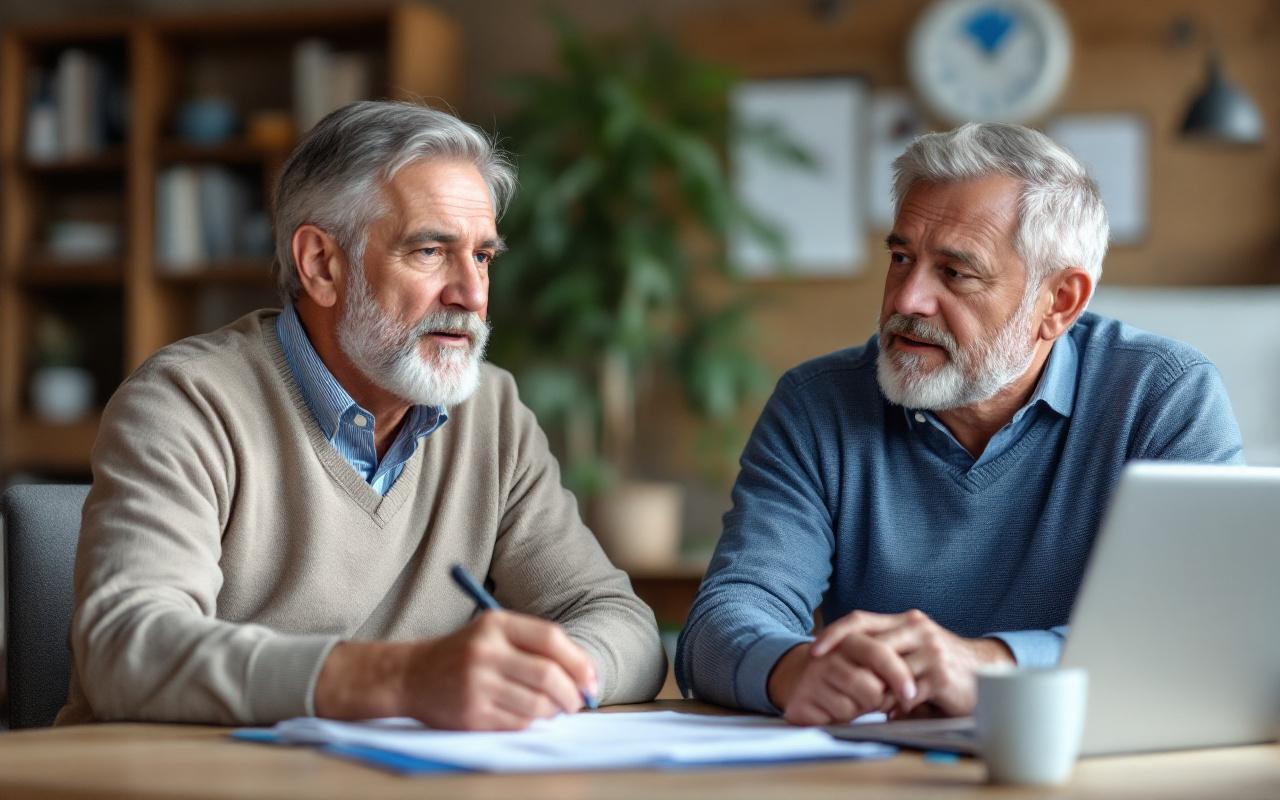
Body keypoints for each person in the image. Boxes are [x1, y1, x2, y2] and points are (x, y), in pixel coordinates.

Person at [57, 101, 666, 729]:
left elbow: (625, 628)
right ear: (322, 264)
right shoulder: (186, 402)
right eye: (430, 251)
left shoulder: (494, 412)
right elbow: (127, 649)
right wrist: (400, 679)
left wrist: (547, 674)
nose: (473, 295)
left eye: (482, 257)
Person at [676, 122, 1243, 726]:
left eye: (955, 273)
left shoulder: (1162, 395)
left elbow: (1205, 636)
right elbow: (721, 623)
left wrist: (993, 667)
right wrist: (792, 670)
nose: (906, 301)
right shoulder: (817, 404)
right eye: (901, 259)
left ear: (1059, 302)